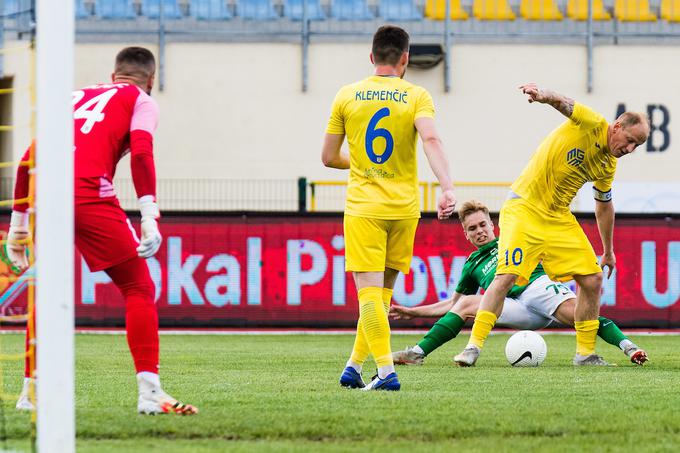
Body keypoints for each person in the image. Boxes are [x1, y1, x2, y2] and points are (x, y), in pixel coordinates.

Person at [8, 47, 197, 414]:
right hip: (88, 193)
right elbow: (142, 153)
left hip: (46, 192)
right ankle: (150, 393)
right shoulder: (141, 100)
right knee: (138, 286)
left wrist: (18, 227)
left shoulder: (74, 95)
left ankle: (30, 393)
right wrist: (149, 215)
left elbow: (28, 157)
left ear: (113, 75)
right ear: (151, 80)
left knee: (46, 294)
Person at [453, 83, 650, 367]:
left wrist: (608, 250)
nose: (630, 149)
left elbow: (604, 205)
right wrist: (545, 96)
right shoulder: (592, 123)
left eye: (637, 146)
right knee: (506, 276)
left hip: (558, 218)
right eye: (630, 140)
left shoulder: (608, 165)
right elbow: (566, 104)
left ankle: (585, 354)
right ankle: (473, 347)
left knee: (592, 279)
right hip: (525, 207)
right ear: (617, 126)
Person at [321, 25, 456, 391]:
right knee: (382, 297)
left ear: (371, 57)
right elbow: (430, 138)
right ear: (405, 58)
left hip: (365, 208)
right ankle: (353, 366)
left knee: (369, 297)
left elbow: (329, 157)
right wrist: (447, 189)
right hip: (404, 209)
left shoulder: (347, 95)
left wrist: (363, 162)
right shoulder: (416, 95)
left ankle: (385, 373)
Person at [389, 200, 648, 366]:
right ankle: (417, 353)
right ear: (465, 234)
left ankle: (630, 348)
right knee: (468, 302)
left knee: (583, 316)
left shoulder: (512, 240)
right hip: (515, 307)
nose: (479, 231)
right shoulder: (472, 264)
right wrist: (412, 312)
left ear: (492, 225)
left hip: (539, 290)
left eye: (482, 224)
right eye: (472, 228)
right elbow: (454, 305)